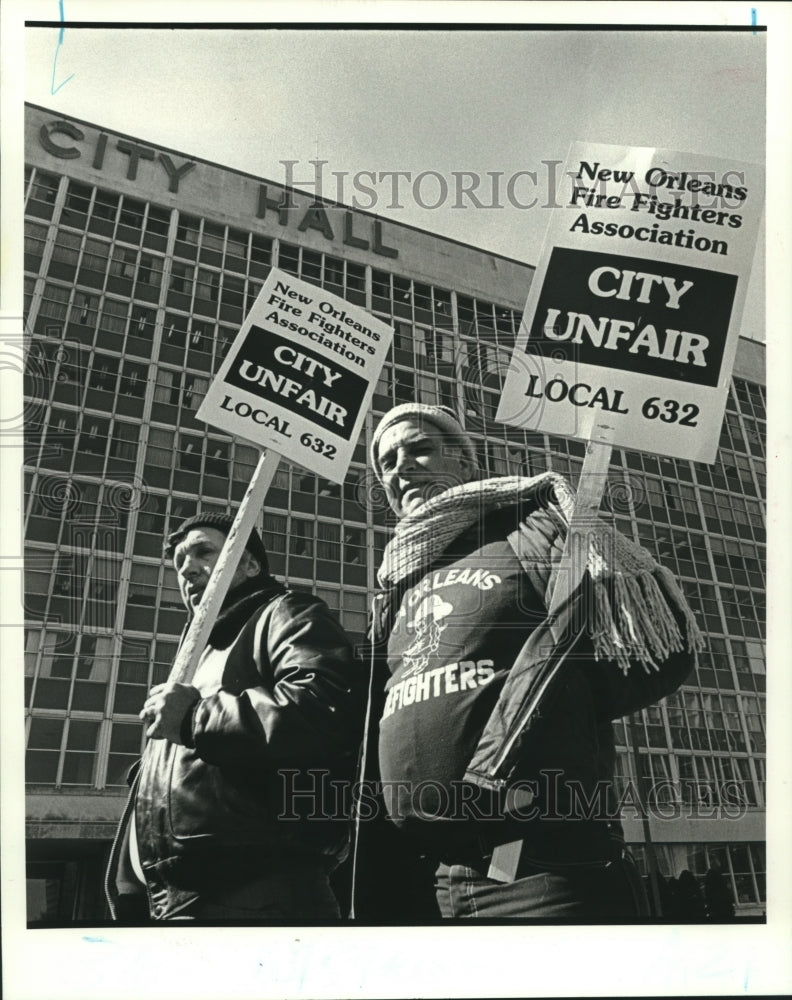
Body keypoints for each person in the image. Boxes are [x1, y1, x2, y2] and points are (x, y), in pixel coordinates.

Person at [354, 403, 703, 921]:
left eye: (421, 449)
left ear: (467, 465)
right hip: (439, 879)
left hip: (541, 865)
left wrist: (520, 749)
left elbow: (655, 643)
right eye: (387, 462)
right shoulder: (398, 579)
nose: (400, 467)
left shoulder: (534, 525)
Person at [105, 512, 363, 922]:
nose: (187, 568)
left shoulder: (286, 612)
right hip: (172, 900)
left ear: (250, 563)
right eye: (178, 564)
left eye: (203, 551)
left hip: (258, 890)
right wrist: (130, 883)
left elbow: (320, 709)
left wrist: (194, 718)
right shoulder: (195, 659)